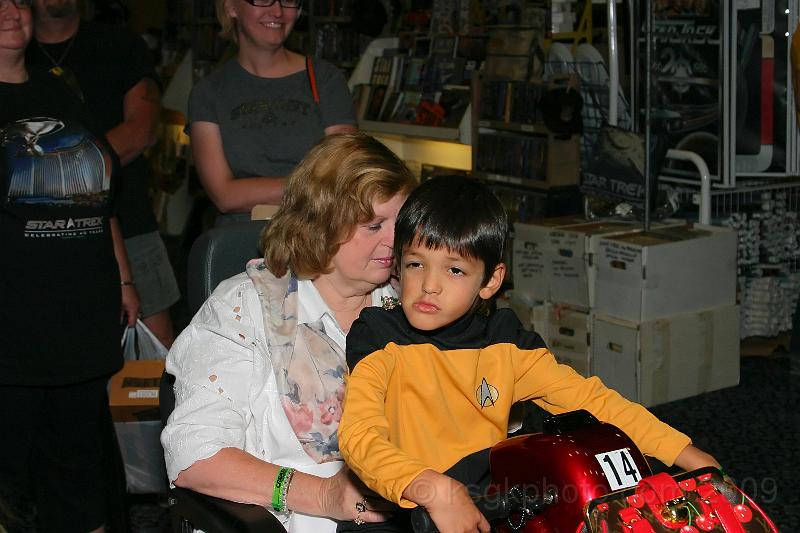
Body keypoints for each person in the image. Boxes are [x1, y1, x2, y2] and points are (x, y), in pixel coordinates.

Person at [338, 175, 722, 533]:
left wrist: (686, 454)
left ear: (490, 281)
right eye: (415, 263)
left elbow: (595, 403)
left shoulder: (508, 344)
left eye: (454, 270)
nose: (429, 285)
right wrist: (427, 487)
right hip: (402, 515)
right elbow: (359, 435)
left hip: (491, 508)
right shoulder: (380, 337)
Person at [161, 132, 417, 532]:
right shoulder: (247, 308)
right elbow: (195, 457)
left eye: (401, 223)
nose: (394, 241)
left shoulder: (411, 301)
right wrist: (322, 495)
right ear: (322, 223)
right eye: (374, 225)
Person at [0, 0, 139, 531]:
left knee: (80, 470)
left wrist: (124, 278)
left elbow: (98, 199)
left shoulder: (60, 89)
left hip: (81, 317)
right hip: (12, 325)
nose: (12, 10)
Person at [27, 0, 180, 348]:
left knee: (156, 356)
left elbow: (141, 131)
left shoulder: (120, 45)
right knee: (55, 349)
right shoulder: (12, 52)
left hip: (129, 222)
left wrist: (47, 171)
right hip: (33, 232)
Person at [187, 0, 357, 224]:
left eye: (287, 0)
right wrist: (315, 184)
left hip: (317, 241)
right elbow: (224, 196)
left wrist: (251, 190)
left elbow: (343, 174)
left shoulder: (325, 79)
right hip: (241, 246)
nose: (277, 11)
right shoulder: (208, 92)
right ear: (231, 7)